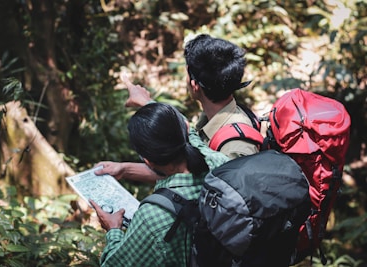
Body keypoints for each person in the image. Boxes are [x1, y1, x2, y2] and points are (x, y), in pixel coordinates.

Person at [95, 34, 258, 182]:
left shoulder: (236, 146)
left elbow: (203, 189)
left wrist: (148, 103)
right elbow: (183, 171)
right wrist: (124, 170)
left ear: (194, 85)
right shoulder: (213, 118)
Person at [90, 102, 229, 267]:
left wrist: (113, 229)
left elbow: (113, 264)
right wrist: (125, 169)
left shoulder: (153, 216)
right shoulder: (219, 163)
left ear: (148, 160)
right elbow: (188, 130)